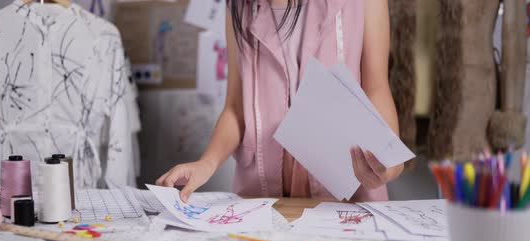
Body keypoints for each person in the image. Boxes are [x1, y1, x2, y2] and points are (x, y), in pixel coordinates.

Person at [157, 0, 404, 202]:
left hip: (348, 198)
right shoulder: (238, 7)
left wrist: (389, 162)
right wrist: (206, 163)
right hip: (262, 200)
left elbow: (377, 87)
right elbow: (235, 108)